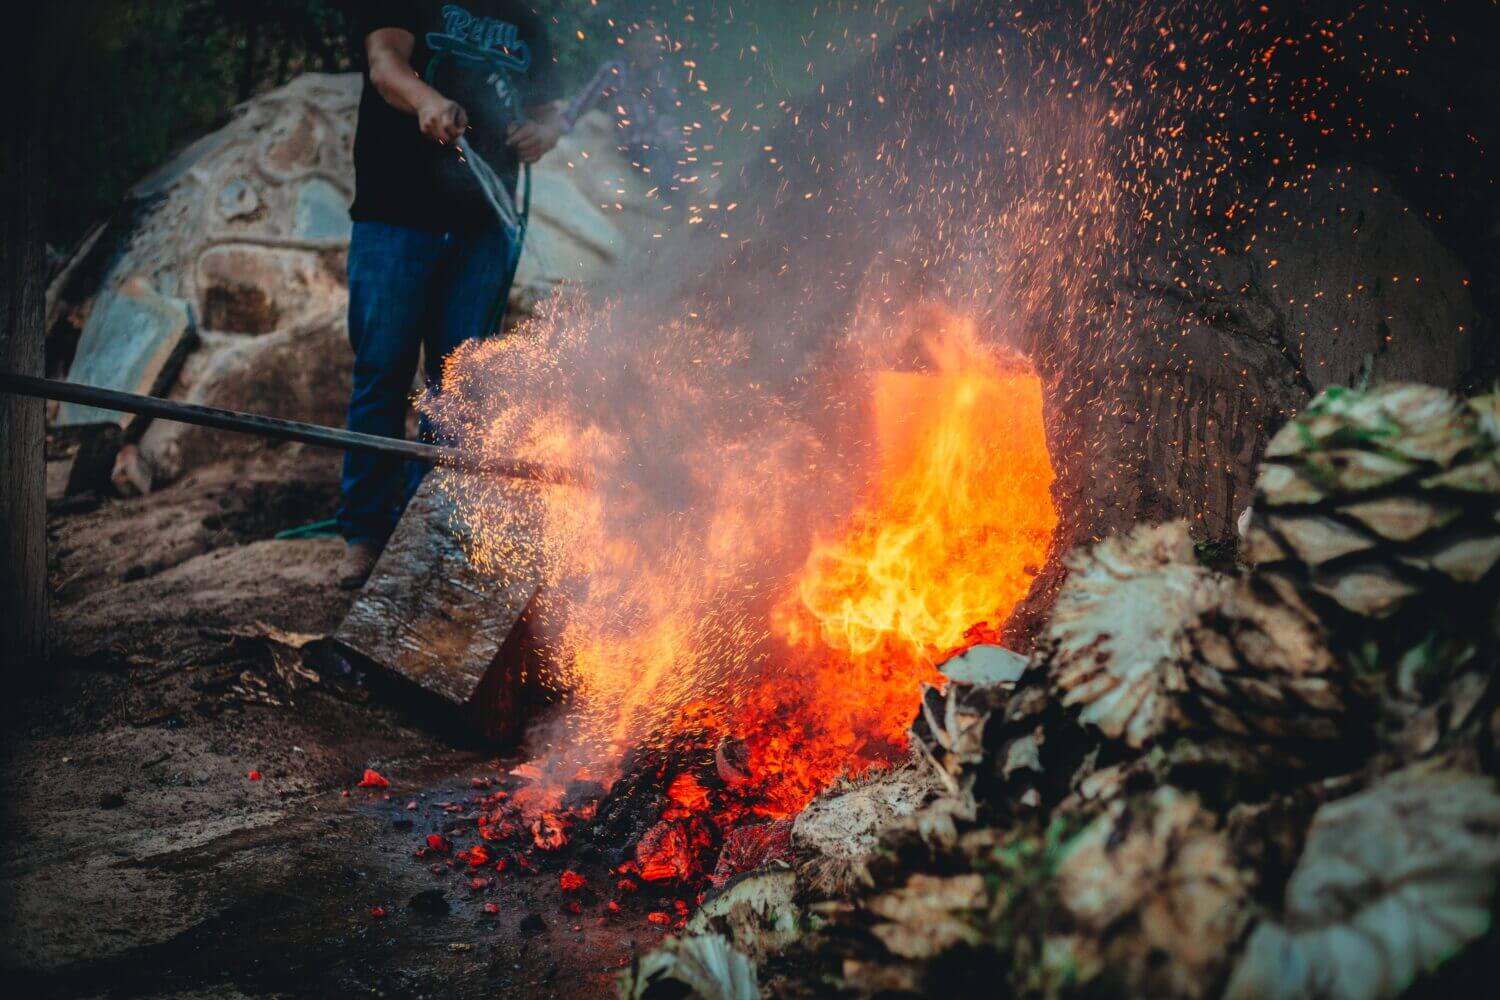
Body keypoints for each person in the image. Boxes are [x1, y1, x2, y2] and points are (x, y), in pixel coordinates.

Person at [337, 2, 564, 589]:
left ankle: (424, 534)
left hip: (485, 229)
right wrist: (426, 101)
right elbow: (385, 62)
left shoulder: (528, 18)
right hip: (394, 216)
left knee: (459, 385)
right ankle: (364, 534)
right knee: (382, 372)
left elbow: (549, 110)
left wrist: (546, 132)